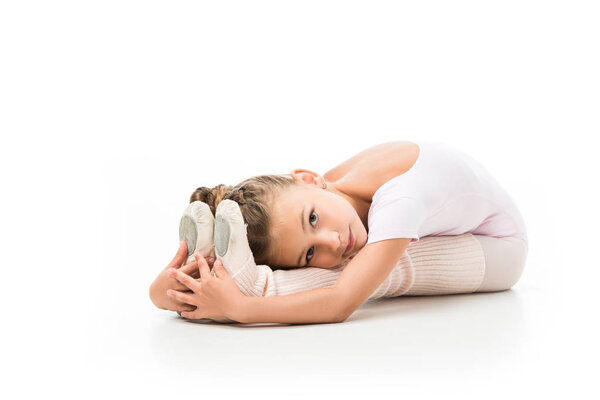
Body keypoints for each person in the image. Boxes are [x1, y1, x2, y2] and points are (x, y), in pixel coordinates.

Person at [149, 140, 529, 324]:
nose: (332, 240)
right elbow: (299, 234)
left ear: (308, 178)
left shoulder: (399, 201)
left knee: (359, 273)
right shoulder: (323, 189)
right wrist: (164, 289)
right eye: (309, 255)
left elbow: (341, 302)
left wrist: (242, 308)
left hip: (498, 249)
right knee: (351, 262)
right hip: (456, 234)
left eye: (312, 220)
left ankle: (248, 283)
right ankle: (215, 267)